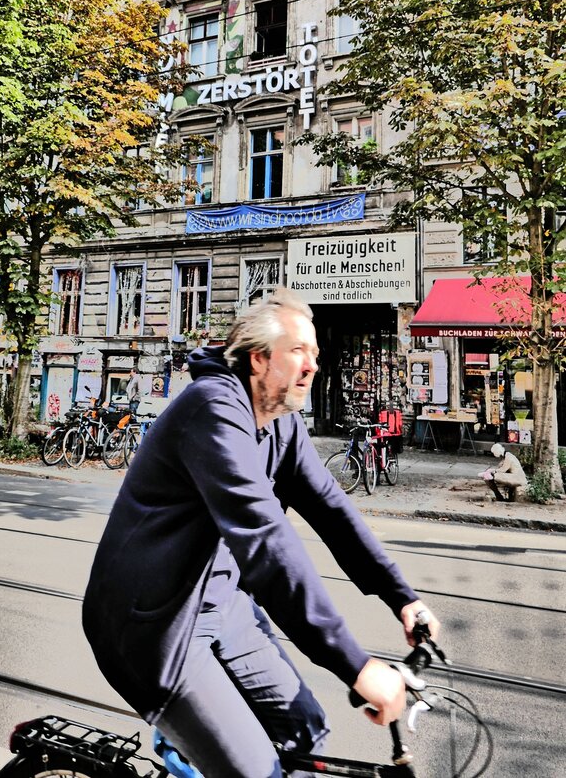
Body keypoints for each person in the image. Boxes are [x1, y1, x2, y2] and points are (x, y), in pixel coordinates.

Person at [83, 290, 439, 778]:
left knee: (306, 734)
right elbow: (265, 539)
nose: (313, 365)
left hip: (223, 606)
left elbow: (331, 509)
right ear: (258, 359)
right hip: (154, 627)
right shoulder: (213, 408)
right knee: (254, 773)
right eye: (298, 351)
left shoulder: (280, 423)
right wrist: (356, 665)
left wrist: (402, 596)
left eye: (314, 353)